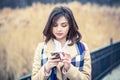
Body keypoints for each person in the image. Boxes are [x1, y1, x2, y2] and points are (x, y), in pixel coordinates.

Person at [32, 6, 91, 80]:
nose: (59, 29)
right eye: (55, 25)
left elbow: (87, 78)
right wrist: (46, 68)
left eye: (64, 25)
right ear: (50, 26)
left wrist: (69, 68)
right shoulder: (41, 48)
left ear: (70, 26)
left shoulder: (82, 48)